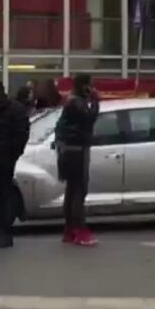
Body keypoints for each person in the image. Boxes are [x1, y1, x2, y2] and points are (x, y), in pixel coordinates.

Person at [0, 80, 30, 248]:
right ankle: (0, 230)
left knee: (4, 194)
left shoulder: (15, 109)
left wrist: (13, 153)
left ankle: (5, 232)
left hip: (6, 157)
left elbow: (22, 133)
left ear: (2, 92)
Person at [55, 74, 100, 247]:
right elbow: (89, 120)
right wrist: (95, 101)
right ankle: (79, 230)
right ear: (85, 86)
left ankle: (69, 229)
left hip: (68, 150)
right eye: (90, 85)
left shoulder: (70, 101)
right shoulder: (77, 103)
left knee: (72, 190)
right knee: (79, 191)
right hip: (77, 151)